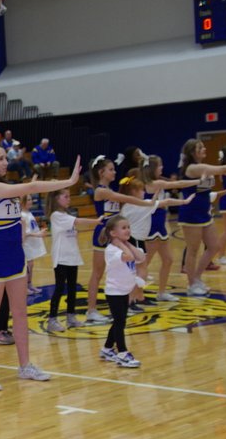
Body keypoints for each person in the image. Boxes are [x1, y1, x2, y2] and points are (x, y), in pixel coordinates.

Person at [0, 145, 80, 392]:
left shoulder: (4, 186)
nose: (6, 162)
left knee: (20, 312)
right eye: (1, 158)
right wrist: (68, 181)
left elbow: (27, 192)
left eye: (6, 158)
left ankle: (25, 365)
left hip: (16, 253)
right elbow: (31, 187)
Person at [84, 155, 163, 323]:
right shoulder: (101, 191)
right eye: (111, 169)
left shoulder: (109, 189)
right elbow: (125, 198)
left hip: (116, 234)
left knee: (123, 271)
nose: (114, 172)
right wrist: (147, 203)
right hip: (103, 234)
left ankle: (125, 304)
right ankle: (91, 310)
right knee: (97, 274)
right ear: (101, 172)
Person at [176, 139, 226, 296]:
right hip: (191, 213)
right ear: (192, 152)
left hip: (205, 212)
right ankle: (191, 284)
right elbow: (223, 169)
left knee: (214, 247)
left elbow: (223, 174)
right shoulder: (193, 168)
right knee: (193, 250)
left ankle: (197, 277)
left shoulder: (202, 167)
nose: (204, 149)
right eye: (200, 147)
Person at [137, 155, 200, 302]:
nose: (162, 168)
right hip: (152, 226)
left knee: (168, 259)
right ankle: (134, 295)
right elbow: (179, 184)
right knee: (144, 263)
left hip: (160, 225)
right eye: (160, 165)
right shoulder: (154, 183)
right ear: (153, 168)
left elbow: (168, 195)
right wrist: (198, 181)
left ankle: (161, 292)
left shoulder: (153, 182)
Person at [45, 189, 100, 332]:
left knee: (72, 289)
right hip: (61, 258)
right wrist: (96, 221)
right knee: (59, 288)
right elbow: (79, 221)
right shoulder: (56, 215)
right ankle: (52, 320)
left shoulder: (66, 215)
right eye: (66, 197)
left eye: (69, 196)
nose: (69, 199)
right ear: (56, 199)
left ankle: (71, 317)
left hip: (72, 257)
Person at [98, 215, 146, 368]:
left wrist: (126, 243)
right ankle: (122, 353)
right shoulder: (112, 250)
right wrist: (120, 244)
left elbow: (140, 257)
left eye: (128, 227)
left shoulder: (125, 247)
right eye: (124, 228)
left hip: (124, 291)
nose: (128, 230)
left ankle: (107, 348)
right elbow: (130, 257)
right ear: (113, 233)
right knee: (120, 322)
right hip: (115, 292)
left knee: (120, 321)